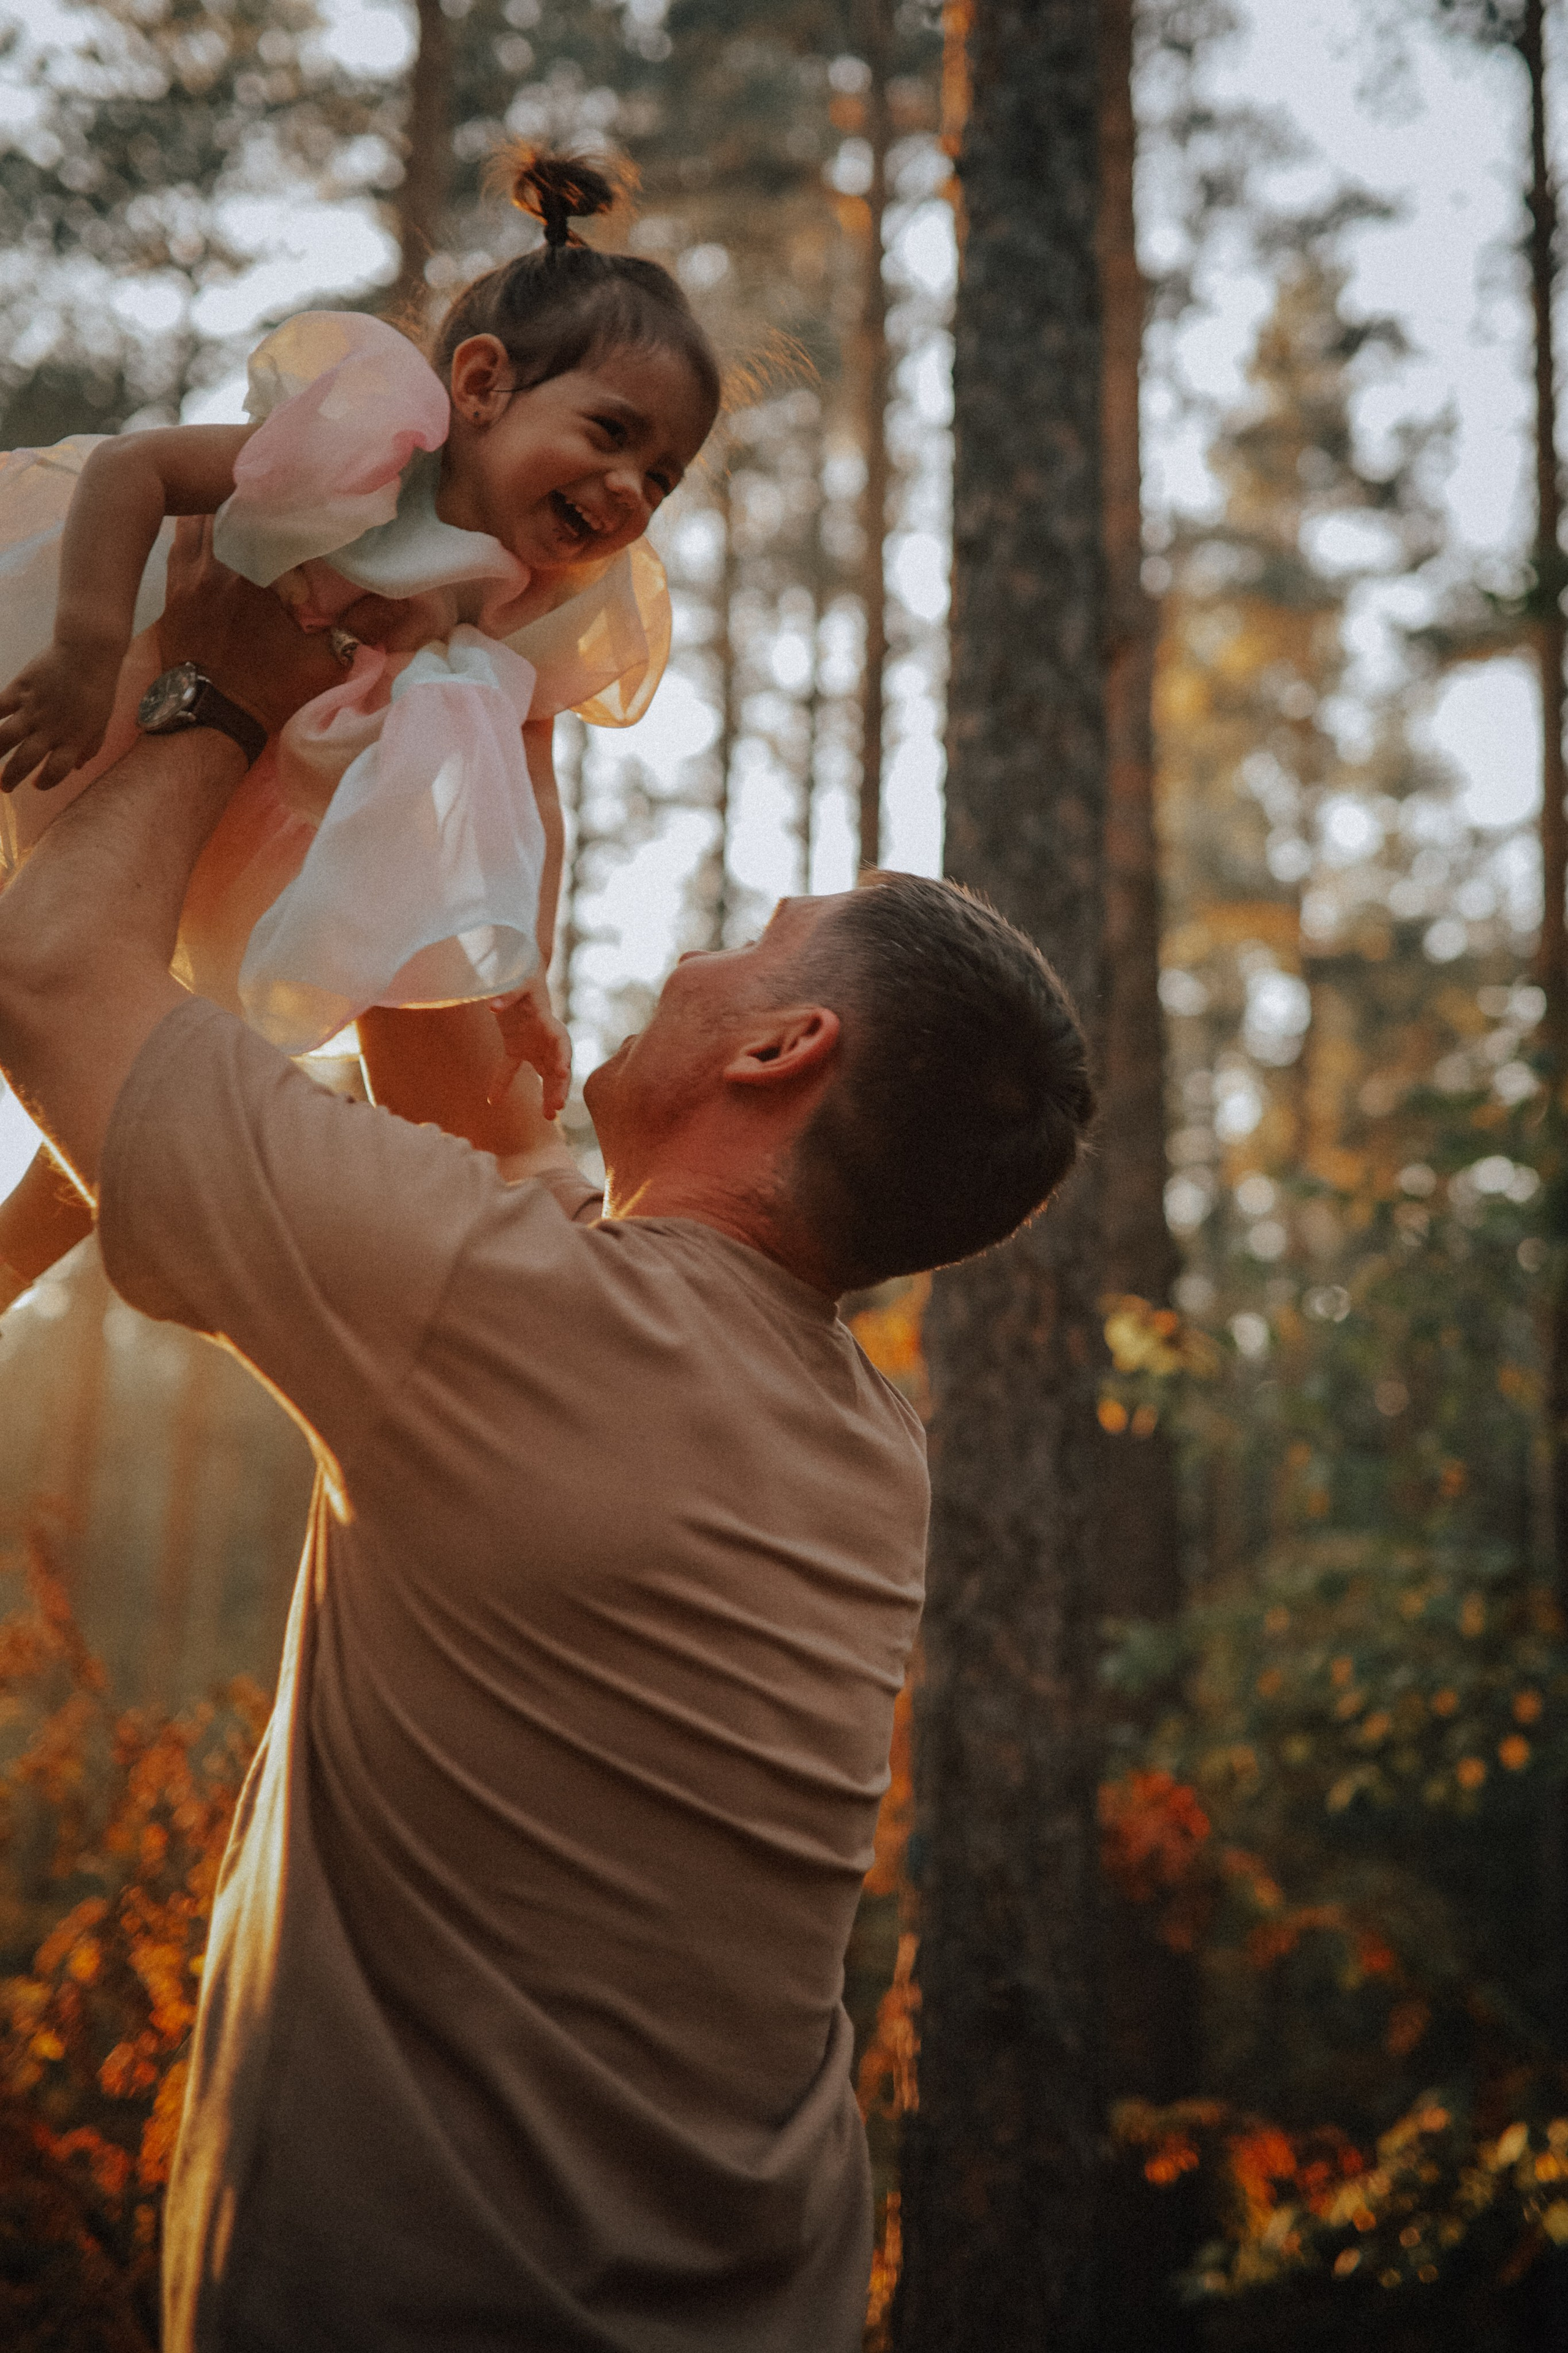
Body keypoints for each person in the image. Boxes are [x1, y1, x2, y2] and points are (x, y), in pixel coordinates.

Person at [0, 523, 1095, 2352]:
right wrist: (489, 714)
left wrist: (217, 688)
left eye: (753, 947)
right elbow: (484, 1082)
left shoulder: (506, 1316)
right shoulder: (849, 1441)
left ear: (782, 1048)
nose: (693, 955)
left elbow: (48, 982)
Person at [0, 149, 719, 1307]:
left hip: (275, 815)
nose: (632, 488)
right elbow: (136, 472)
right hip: (132, 713)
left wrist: (522, 966)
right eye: (611, 433)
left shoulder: (534, 608)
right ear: (481, 383)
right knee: (61, 953)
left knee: (155, 1030)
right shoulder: (362, 460)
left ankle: (27, 1236)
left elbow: (531, 797)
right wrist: (84, 650)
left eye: (663, 477)